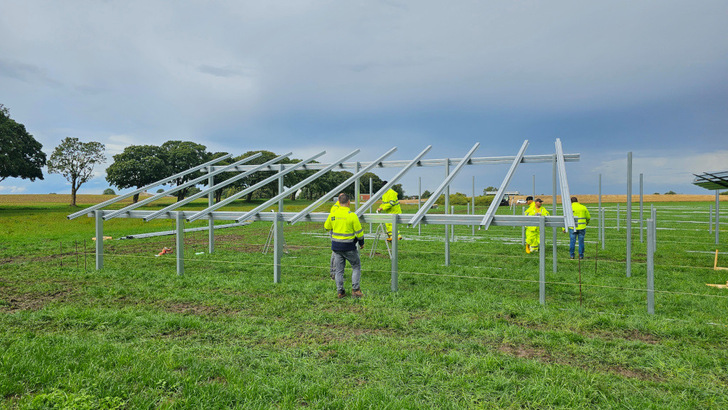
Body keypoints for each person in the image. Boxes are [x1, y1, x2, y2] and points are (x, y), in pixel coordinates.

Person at [324, 193, 365, 298]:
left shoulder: (333, 214)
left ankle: (340, 292)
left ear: (338, 202)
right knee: (356, 266)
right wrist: (361, 242)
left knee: (339, 270)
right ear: (348, 202)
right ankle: (356, 290)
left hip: (336, 247)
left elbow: (326, 226)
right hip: (349, 247)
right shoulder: (352, 215)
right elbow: (359, 232)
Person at [328, 198, 341, 280]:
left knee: (335, 252)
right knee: (336, 253)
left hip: (334, 230)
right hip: (337, 231)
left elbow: (327, 225)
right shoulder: (338, 208)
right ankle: (334, 273)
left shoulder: (335, 207)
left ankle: (333, 272)